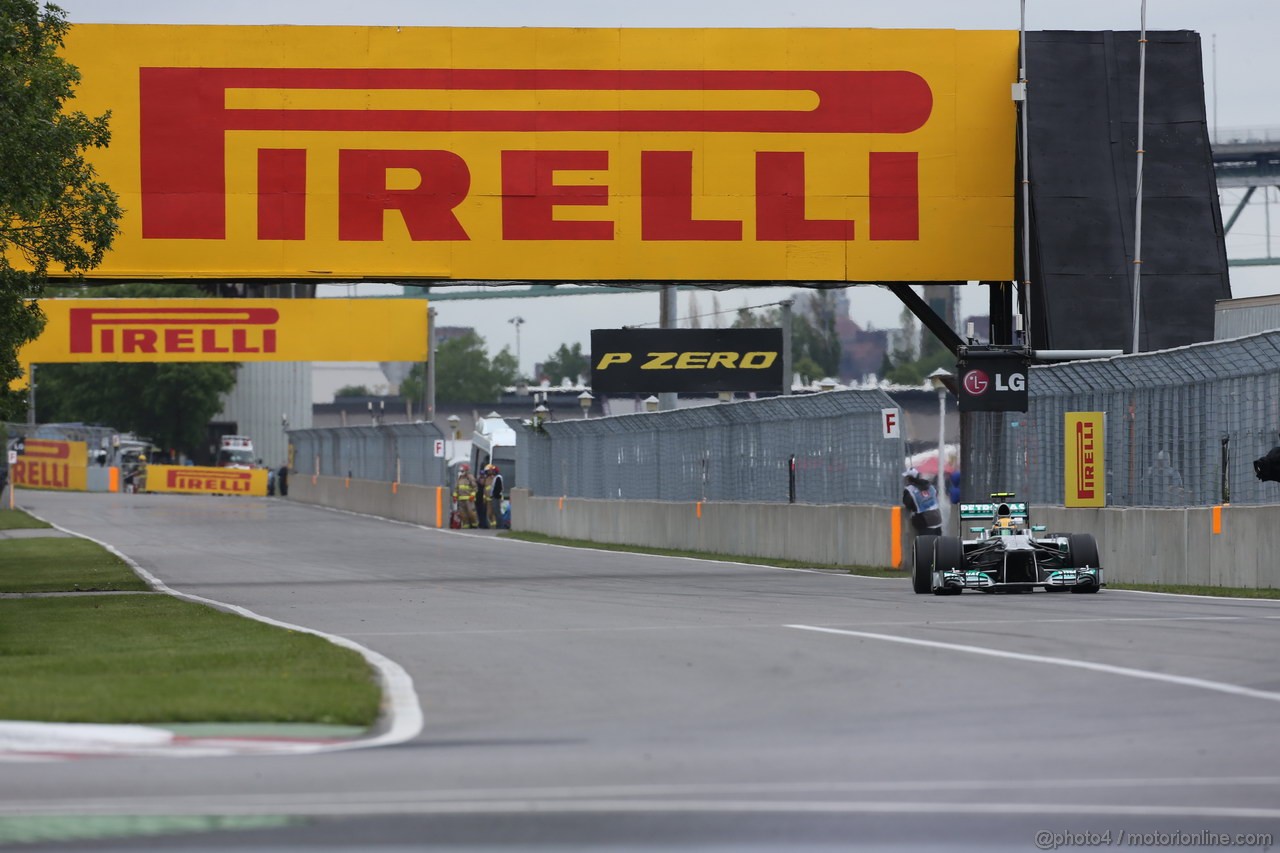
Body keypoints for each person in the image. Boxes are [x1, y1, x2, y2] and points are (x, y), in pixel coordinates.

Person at [902, 467, 943, 538]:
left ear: (909, 478)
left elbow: (908, 504)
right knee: (937, 544)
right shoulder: (929, 485)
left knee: (926, 545)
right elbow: (936, 494)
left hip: (925, 521)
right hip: (938, 519)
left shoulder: (910, 490)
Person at [453, 463, 479, 529]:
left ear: (466, 470)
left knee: (471, 513)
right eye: (460, 471)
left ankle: (475, 525)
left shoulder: (470, 477)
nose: (461, 472)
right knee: (463, 514)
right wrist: (455, 496)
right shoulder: (459, 478)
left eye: (462, 471)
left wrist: (472, 495)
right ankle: (466, 526)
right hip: (461, 499)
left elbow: (475, 487)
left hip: (469, 499)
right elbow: (456, 488)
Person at [487, 464, 507, 529]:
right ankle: (499, 524)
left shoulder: (498, 478)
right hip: (495, 497)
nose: (492, 472)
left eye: (493, 471)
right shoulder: (496, 477)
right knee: (496, 512)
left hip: (496, 497)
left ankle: (500, 525)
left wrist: (496, 495)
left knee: (497, 511)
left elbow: (498, 488)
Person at [475, 464, 490, 529]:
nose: (482, 479)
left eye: (483, 477)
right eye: (481, 477)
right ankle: (481, 524)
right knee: (479, 513)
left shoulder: (486, 484)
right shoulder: (477, 484)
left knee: (484, 513)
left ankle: (485, 524)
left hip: (484, 501)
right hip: (478, 501)